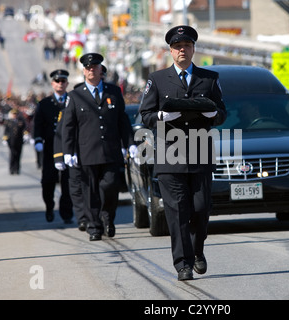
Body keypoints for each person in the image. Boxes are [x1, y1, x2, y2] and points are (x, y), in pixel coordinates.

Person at [139, 25, 227, 281]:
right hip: (170, 156)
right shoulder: (157, 79)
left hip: (200, 154)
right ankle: (182, 264)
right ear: (171, 51)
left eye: (187, 46)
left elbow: (222, 112)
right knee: (177, 212)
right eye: (178, 47)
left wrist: (214, 114)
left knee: (200, 209)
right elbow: (145, 115)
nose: (182, 51)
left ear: (193, 49)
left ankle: (197, 251)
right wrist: (161, 116)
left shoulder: (209, 78)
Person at [61, 53, 135, 241]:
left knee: (110, 186)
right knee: (90, 191)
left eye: (95, 66)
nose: (91, 70)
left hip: (110, 151)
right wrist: (68, 152)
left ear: (101, 69)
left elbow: (122, 120)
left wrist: (129, 143)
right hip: (86, 152)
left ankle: (108, 217)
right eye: (88, 67)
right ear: (84, 71)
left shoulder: (113, 91)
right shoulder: (75, 95)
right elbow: (68, 126)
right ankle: (94, 227)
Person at [34, 69, 73, 224]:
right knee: (48, 181)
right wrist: (37, 139)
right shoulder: (44, 104)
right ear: (52, 84)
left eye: (63, 81)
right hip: (50, 147)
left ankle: (67, 213)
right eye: (57, 81)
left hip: (68, 147)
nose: (60, 84)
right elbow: (38, 124)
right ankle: (49, 206)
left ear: (67, 83)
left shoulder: (72, 100)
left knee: (68, 183)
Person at [53, 96, 88, 232]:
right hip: (73, 156)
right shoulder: (67, 111)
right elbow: (60, 133)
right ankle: (82, 218)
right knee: (75, 188)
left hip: (91, 155)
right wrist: (59, 156)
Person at [3, 108, 26, 174]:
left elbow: (24, 129)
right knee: (12, 155)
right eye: (13, 114)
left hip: (19, 140)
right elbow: (6, 131)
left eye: (16, 114)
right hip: (11, 141)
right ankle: (11, 169)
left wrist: (26, 135)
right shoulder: (8, 121)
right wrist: (5, 138)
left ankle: (17, 169)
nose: (14, 115)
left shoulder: (21, 121)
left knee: (18, 155)